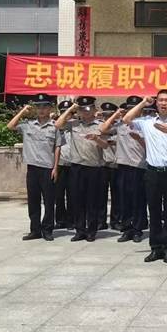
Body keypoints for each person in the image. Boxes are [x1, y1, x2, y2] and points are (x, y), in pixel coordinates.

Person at [123, 90, 167, 263]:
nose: (164, 103)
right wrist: (143, 103)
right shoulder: (147, 121)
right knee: (154, 211)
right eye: (161, 100)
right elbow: (126, 119)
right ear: (156, 103)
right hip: (152, 172)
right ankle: (155, 247)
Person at [7, 93, 62, 241]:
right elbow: (10, 126)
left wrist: (55, 168)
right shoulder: (28, 125)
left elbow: (57, 147)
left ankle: (47, 229)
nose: (41, 110)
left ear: (50, 108)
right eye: (38, 107)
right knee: (33, 201)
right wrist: (22, 112)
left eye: (44, 106)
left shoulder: (54, 127)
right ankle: (35, 230)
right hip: (32, 169)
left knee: (49, 201)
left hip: (48, 169)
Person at [55, 96, 109, 242]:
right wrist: (71, 109)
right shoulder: (73, 124)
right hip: (77, 167)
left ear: (94, 109)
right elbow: (58, 124)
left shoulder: (100, 125)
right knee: (77, 200)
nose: (85, 111)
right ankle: (79, 230)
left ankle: (91, 230)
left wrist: (96, 139)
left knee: (92, 200)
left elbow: (105, 145)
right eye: (82, 109)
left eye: (88, 108)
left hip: (94, 167)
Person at [100, 96, 149, 243]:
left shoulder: (145, 124)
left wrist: (139, 139)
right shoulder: (120, 124)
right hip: (122, 166)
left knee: (138, 200)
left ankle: (138, 229)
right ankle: (127, 229)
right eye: (128, 108)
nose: (131, 111)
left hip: (139, 166)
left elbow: (151, 146)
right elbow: (103, 129)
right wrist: (116, 114)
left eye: (134, 108)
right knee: (124, 199)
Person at [98, 102, 119, 231]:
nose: (107, 117)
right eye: (105, 115)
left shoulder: (119, 126)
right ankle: (101, 221)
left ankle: (115, 220)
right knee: (101, 195)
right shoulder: (99, 126)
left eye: (109, 115)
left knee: (117, 195)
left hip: (116, 165)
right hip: (102, 164)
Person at [55, 99, 74, 230]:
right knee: (59, 194)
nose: (66, 115)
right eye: (63, 112)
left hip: (73, 164)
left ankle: (72, 220)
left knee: (72, 194)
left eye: (68, 112)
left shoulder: (76, 125)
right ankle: (60, 220)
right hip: (60, 164)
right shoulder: (56, 126)